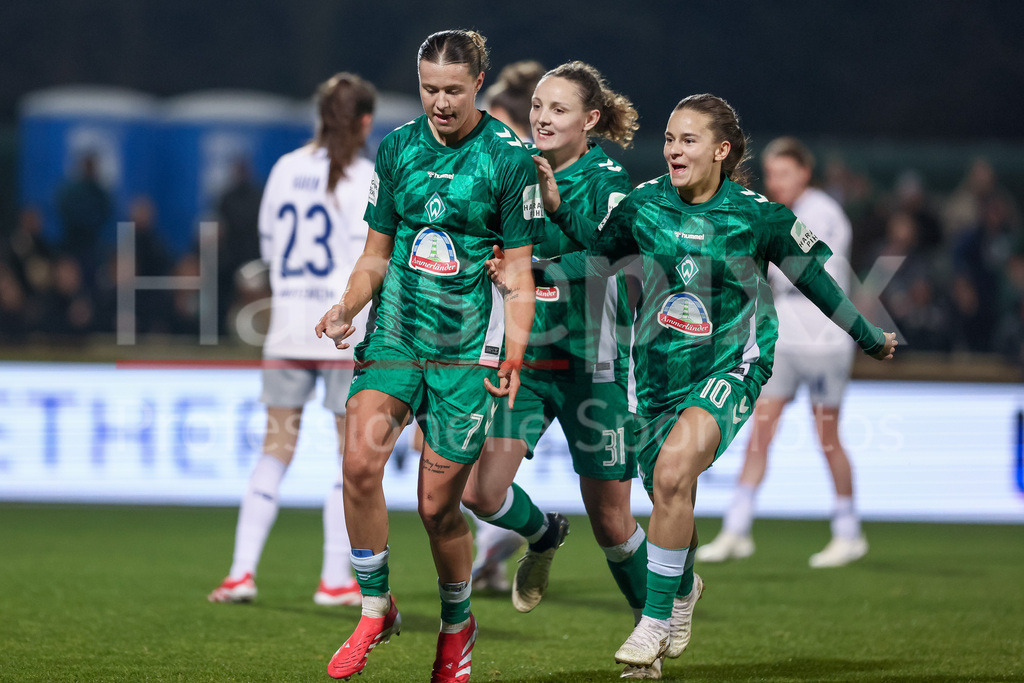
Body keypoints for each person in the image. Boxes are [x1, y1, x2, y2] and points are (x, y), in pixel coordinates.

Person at [491, 94, 897, 676]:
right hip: (654, 378)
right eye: (669, 140)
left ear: (721, 151)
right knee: (666, 496)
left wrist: (865, 334)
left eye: (688, 141)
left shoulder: (758, 214)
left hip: (731, 366)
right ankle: (681, 589)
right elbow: (597, 258)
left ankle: (653, 623)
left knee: (673, 474)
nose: (674, 151)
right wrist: (537, 252)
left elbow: (817, 281)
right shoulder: (645, 205)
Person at [314, 30, 541, 682]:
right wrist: (347, 306)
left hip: (466, 355)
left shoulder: (508, 159)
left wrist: (516, 350)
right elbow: (376, 254)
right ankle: (375, 606)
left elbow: (520, 272)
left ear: (476, 84)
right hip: (396, 338)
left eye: (452, 90)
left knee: (438, 507)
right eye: (428, 89)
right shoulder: (399, 149)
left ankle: (455, 623)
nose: (439, 102)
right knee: (358, 462)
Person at [461, 60, 657, 678]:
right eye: (539, 106)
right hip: (526, 358)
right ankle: (544, 533)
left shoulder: (608, 182)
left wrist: (533, 269)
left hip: (592, 365)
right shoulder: (514, 168)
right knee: (481, 493)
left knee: (612, 522)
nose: (543, 117)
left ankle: (648, 628)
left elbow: (612, 262)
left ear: (590, 120)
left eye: (559, 109)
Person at [207, 72, 378, 607]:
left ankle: (240, 572)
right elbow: (374, 258)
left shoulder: (284, 169)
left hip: (284, 327)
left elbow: (266, 248)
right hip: (340, 334)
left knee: (275, 446)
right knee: (346, 457)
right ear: (367, 122)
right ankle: (333, 581)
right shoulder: (368, 176)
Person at [696, 136, 869, 568]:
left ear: (804, 173)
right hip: (786, 342)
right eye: (771, 174)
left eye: (783, 173)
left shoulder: (821, 213)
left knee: (827, 437)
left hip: (825, 343)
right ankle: (737, 528)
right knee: (760, 433)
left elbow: (804, 271)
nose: (775, 182)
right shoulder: (780, 213)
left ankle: (849, 532)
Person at [467, 58, 547, 593]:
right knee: (477, 461)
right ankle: (494, 552)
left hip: (503, 333)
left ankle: (497, 541)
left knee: (470, 460)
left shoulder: (508, 170)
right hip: (546, 335)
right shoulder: (544, 169)